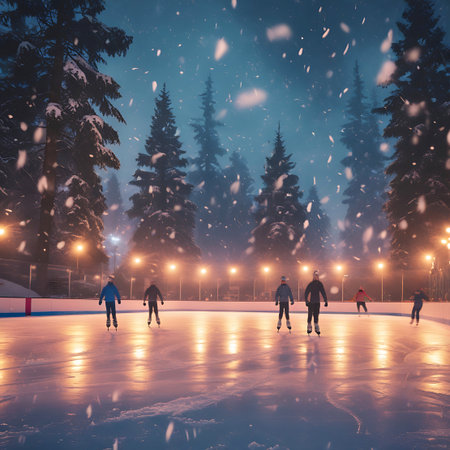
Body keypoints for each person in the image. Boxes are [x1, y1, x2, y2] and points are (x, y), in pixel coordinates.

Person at [304, 270, 328, 335]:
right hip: (311, 302)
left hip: (317, 302)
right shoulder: (311, 284)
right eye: (315, 275)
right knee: (310, 315)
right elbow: (306, 292)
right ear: (313, 276)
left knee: (316, 315)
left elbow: (323, 292)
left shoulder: (319, 284)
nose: (316, 277)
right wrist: (306, 301)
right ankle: (309, 325)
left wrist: (325, 300)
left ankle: (316, 326)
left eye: (317, 275)